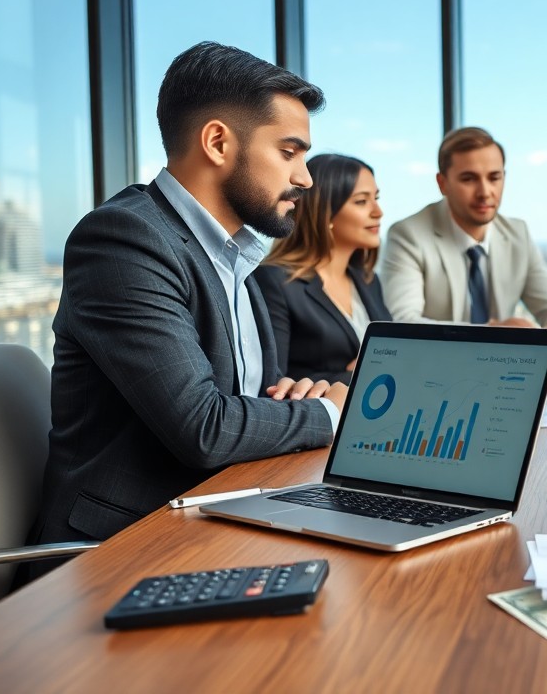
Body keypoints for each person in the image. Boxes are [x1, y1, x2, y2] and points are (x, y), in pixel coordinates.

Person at [26, 42, 345, 577]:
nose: (305, 178)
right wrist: (330, 414)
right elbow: (204, 427)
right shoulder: (125, 240)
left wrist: (285, 399)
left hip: (221, 521)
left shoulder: (236, 255)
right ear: (218, 142)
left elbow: (237, 402)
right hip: (119, 555)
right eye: (289, 152)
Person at [382, 126, 547, 358]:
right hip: (433, 370)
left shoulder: (518, 233)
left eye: (494, 178)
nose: (485, 192)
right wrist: (491, 333)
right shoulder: (408, 235)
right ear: (442, 183)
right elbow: (402, 325)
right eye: (469, 179)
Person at [256, 153, 392, 384]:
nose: (378, 212)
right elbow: (270, 382)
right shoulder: (275, 281)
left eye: (376, 198)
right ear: (325, 213)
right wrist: (354, 375)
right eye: (361, 201)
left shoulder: (368, 281)